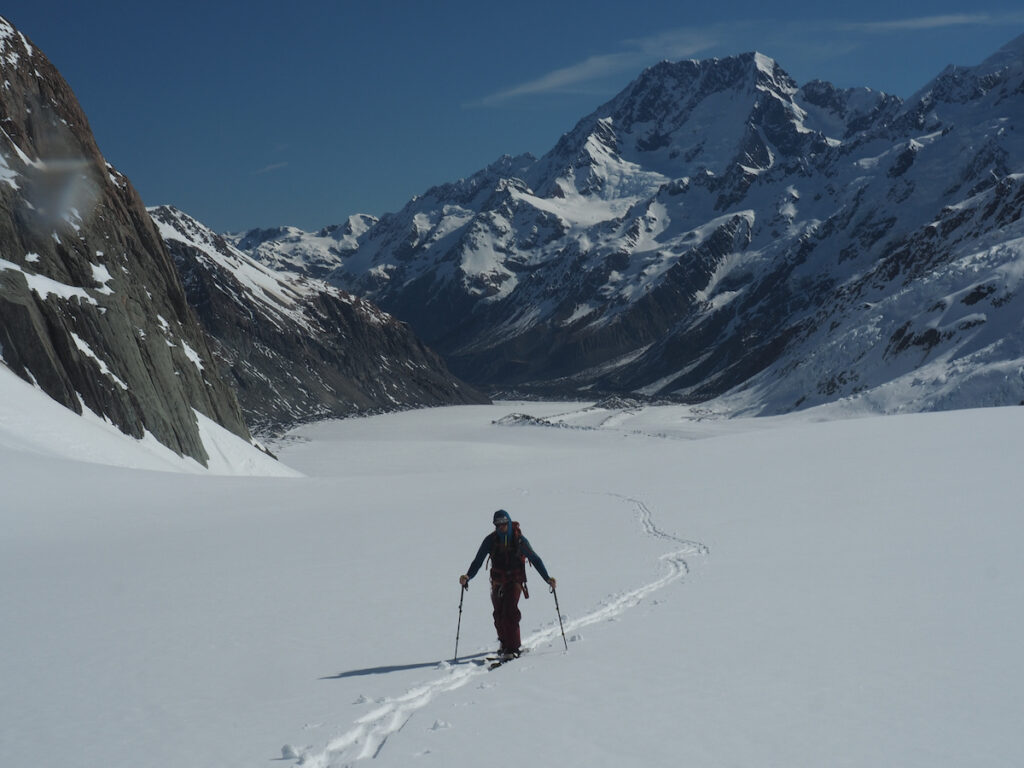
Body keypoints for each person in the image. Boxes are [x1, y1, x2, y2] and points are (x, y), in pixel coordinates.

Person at [459, 509, 556, 657]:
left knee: (510, 612)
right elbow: (478, 561)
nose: (501, 527)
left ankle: (513, 648)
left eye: (504, 524)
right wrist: (468, 576)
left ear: (509, 522)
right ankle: (504, 643)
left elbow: (535, 559)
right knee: (498, 615)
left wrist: (547, 578)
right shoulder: (490, 540)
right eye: (498, 525)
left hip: (515, 581)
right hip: (497, 582)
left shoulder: (519, 540)